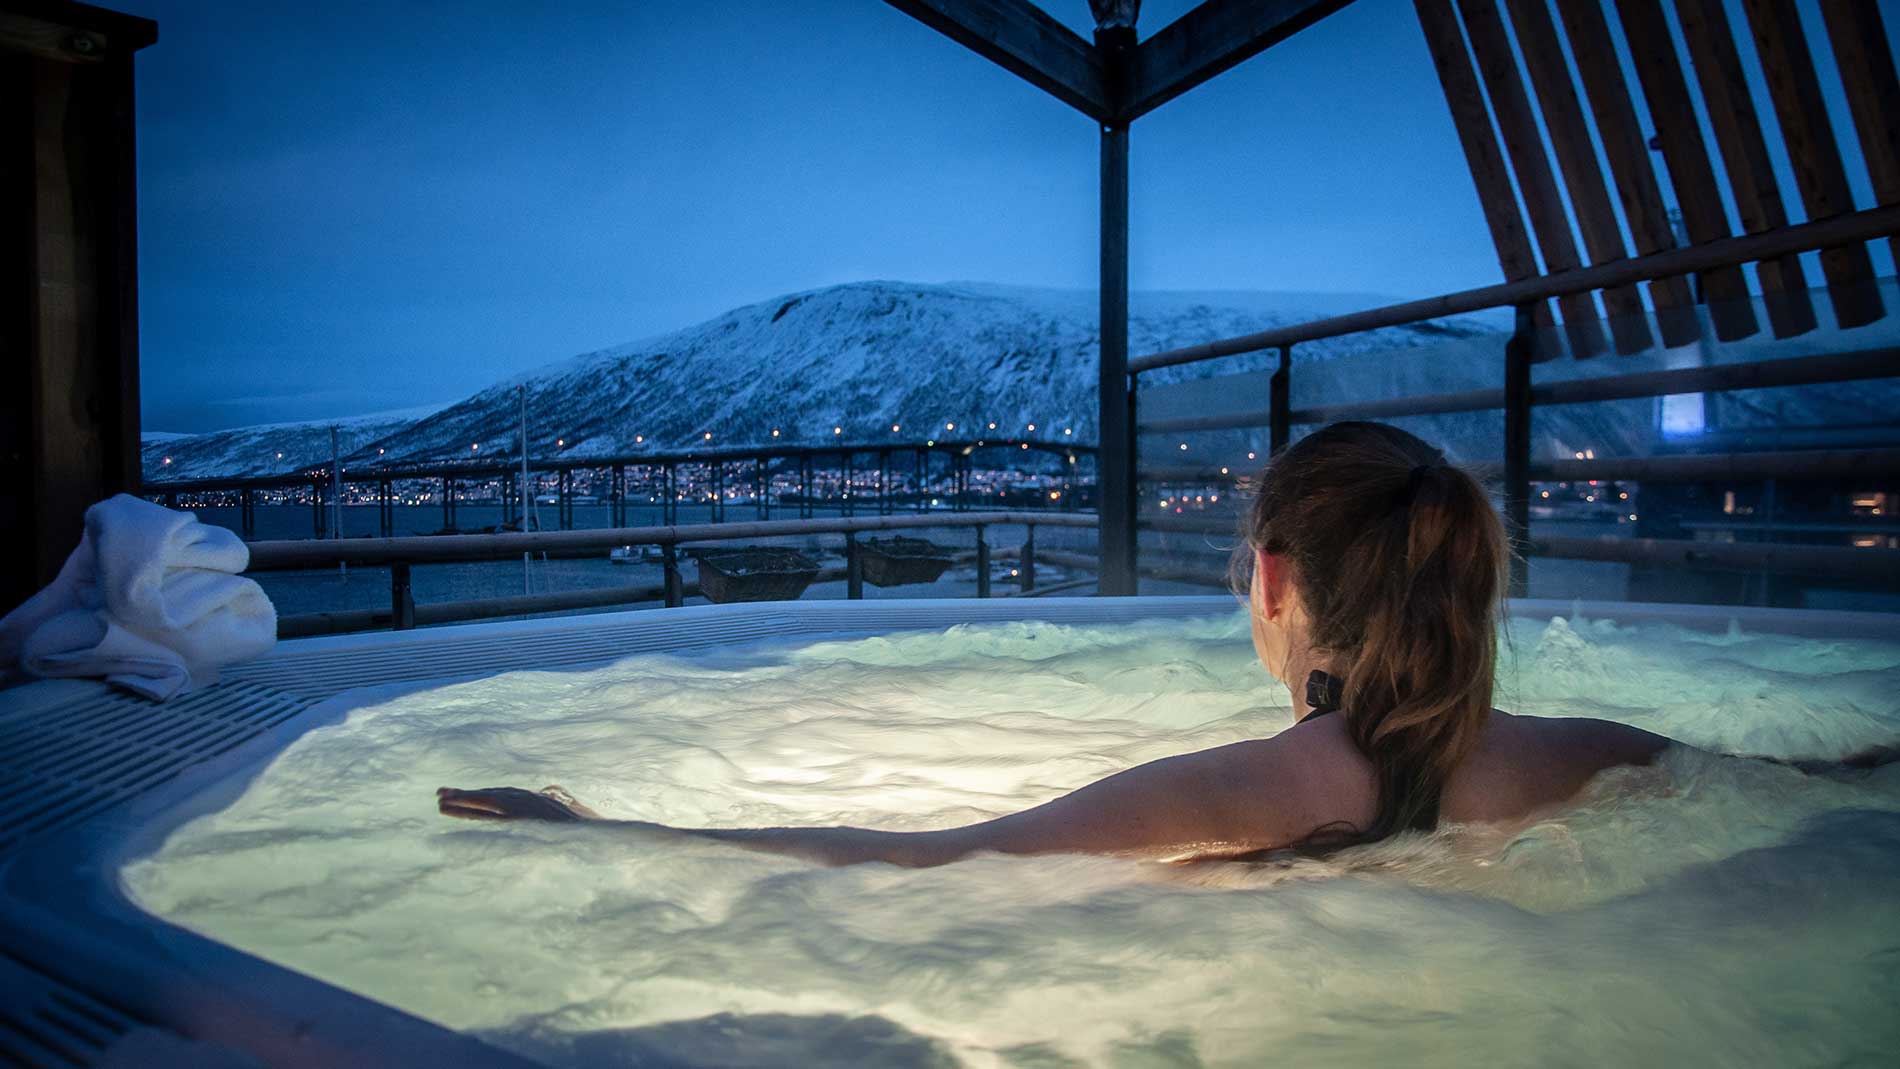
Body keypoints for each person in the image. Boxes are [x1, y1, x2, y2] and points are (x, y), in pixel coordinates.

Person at [437, 422, 1676, 866]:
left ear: (1278, 580)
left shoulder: (1234, 790)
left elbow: (922, 861)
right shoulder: (1591, 755)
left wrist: (600, 832)